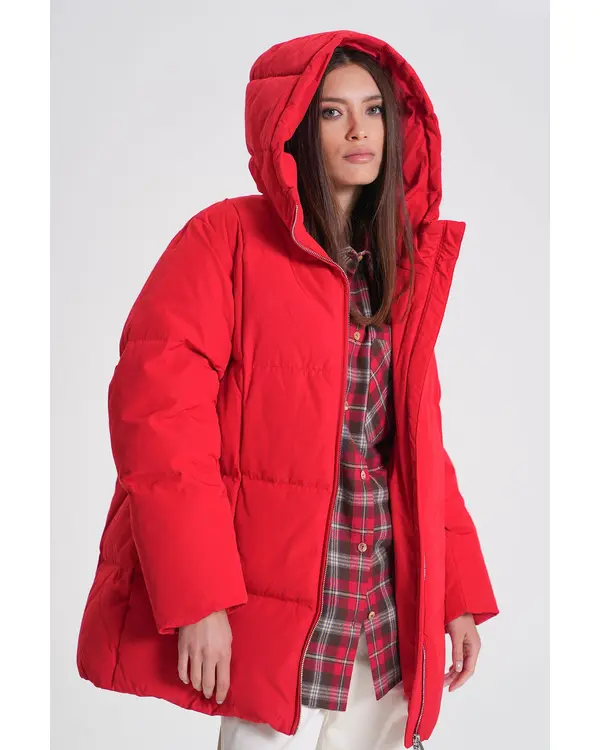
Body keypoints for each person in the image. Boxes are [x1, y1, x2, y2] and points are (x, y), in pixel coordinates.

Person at [76, 30, 500, 750]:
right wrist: (198, 595)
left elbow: (416, 445)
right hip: (276, 608)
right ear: (296, 129)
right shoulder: (226, 239)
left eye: (373, 109)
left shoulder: (395, 267)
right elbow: (159, 418)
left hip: (383, 604)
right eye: (333, 112)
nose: (360, 129)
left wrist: (455, 592)